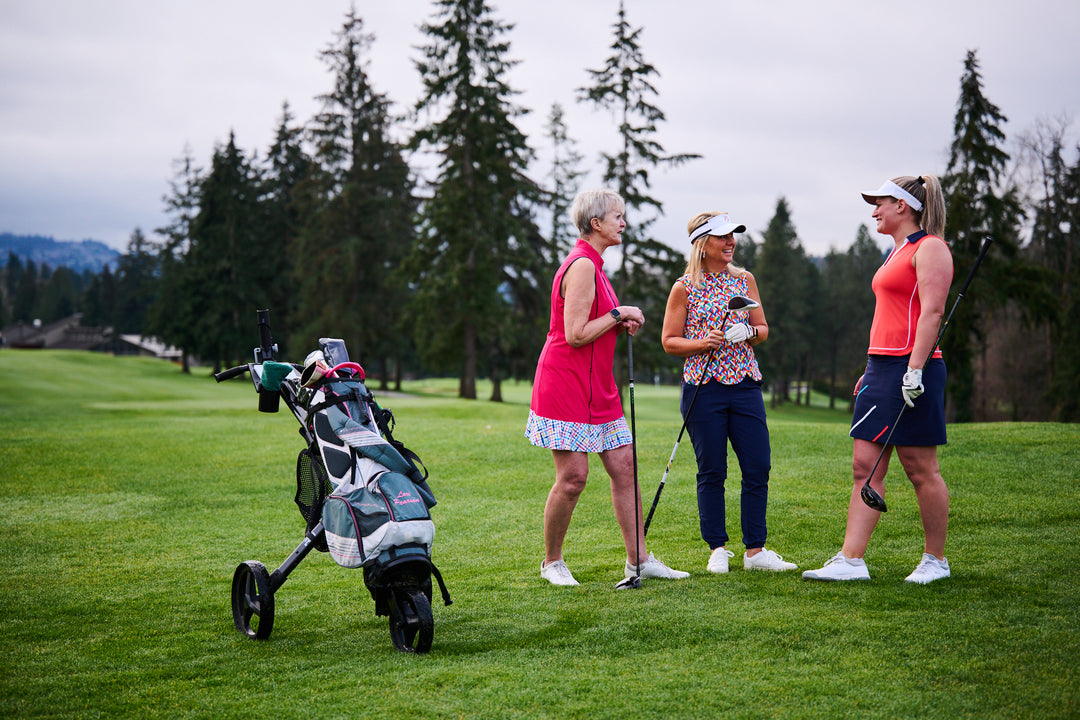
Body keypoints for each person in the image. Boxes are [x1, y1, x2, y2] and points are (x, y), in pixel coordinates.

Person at [527, 188, 689, 586]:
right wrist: (620, 312)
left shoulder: (596, 266)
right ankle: (552, 563)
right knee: (573, 478)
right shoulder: (582, 265)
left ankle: (639, 560)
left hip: (598, 386)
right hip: (566, 385)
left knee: (624, 466)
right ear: (595, 223)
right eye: (618, 216)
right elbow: (576, 334)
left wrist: (618, 319)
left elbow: (596, 322)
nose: (624, 223)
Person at [803, 175, 954, 584]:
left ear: (903, 206)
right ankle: (851, 559)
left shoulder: (930, 248)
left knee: (919, 466)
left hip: (913, 367)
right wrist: (871, 369)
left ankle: (935, 560)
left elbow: (932, 314)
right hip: (882, 368)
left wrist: (915, 369)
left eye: (880, 204)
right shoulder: (896, 252)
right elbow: (891, 314)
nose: (874, 211)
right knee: (864, 466)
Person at [660, 211, 798, 574]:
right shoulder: (684, 287)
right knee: (712, 470)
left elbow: (763, 328)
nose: (731, 242)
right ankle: (718, 548)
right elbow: (669, 341)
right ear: (702, 244)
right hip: (703, 389)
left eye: (733, 236)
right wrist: (702, 342)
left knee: (757, 465)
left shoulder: (745, 279)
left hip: (745, 385)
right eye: (723, 237)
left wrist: (749, 334)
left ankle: (755, 551)